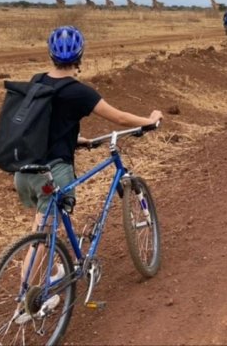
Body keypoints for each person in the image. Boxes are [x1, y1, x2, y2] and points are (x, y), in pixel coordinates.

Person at [12, 26, 163, 321]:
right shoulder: (79, 92)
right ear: (80, 55)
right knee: (44, 235)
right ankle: (26, 300)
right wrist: (150, 120)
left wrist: (74, 139)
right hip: (54, 171)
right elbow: (118, 117)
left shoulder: (37, 82)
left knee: (40, 229)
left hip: (25, 170)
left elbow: (48, 120)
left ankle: (52, 274)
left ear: (50, 54)